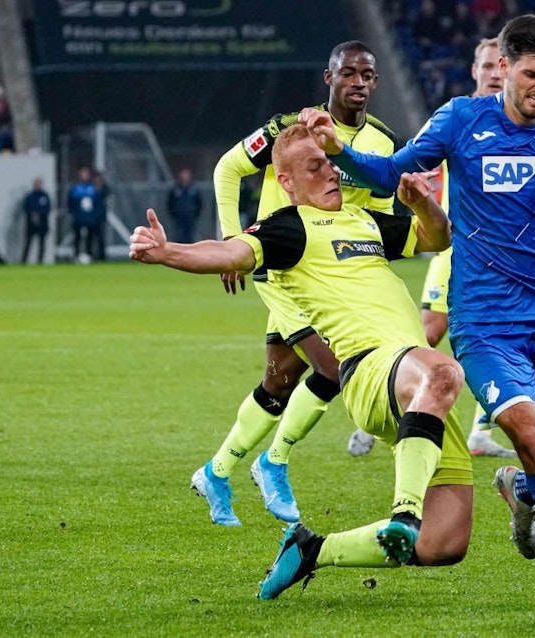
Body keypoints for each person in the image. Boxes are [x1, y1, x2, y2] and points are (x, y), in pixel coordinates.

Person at [299, 14, 535, 559]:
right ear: (503, 66)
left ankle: (526, 488)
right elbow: (392, 173)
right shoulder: (461, 119)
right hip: (485, 324)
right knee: (532, 436)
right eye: (533, 74)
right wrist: (339, 154)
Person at [130, 124, 473, 600]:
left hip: (414, 387)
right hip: (371, 369)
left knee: (445, 543)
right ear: (286, 181)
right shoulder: (289, 227)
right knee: (444, 370)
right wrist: (168, 252)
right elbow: (229, 251)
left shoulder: (363, 222)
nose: (331, 172)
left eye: (329, 163)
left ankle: (312, 549)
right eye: (315, 167)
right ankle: (404, 511)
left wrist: (422, 203)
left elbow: (437, 238)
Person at [193, 40, 397, 527]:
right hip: (280, 263)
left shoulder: (384, 143)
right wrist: (231, 241)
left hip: (333, 275)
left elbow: (379, 216)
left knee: (280, 380)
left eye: (367, 75)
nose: (359, 84)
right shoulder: (290, 129)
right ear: (329, 78)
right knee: (332, 367)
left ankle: (217, 471)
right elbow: (228, 168)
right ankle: (274, 462)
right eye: (348, 73)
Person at [388, 37, 516, 459]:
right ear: (475, 71)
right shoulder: (456, 117)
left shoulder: (525, 120)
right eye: (487, 67)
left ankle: (480, 431)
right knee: (429, 332)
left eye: (501, 67)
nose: (495, 74)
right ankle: (392, 396)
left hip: (509, 258)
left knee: (508, 341)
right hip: (459, 249)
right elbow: (413, 160)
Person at [67, 166, 97, 263]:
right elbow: (70, 203)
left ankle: (89, 255)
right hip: (78, 218)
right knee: (77, 237)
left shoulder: (92, 188)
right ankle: (76, 255)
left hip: (90, 218)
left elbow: (97, 203)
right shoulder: (75, 188)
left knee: (90, 238)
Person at [167, 168, 203, 243]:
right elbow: (170, 204)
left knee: (191, 237)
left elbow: (199, 204)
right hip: (179, 219)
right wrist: (175, 213)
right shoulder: (176, 189)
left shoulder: (193, 190)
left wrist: (194, 214)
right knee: (179, 237)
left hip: (191, 219)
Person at [21, 177, 52, 264]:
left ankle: (40, 261)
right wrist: (33, 214)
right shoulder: (30, 196)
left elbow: (48, 208)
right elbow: (26, 208)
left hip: (42, 223)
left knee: (42, 244)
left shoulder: (45, 196)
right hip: (31, 224)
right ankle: (24, 261)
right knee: (28, 243)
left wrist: (40, 214)